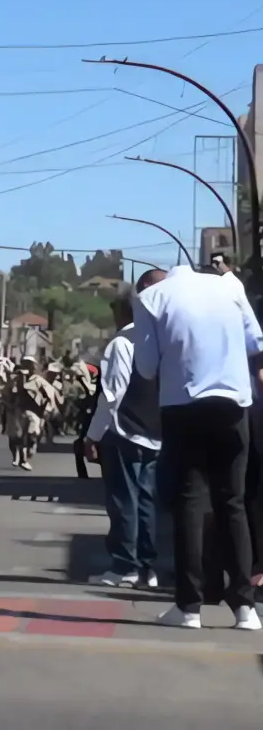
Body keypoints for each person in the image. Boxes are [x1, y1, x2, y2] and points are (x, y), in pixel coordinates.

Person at [131, 264, 261, 630]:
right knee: (231, 502)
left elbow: (146, 366)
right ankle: (245, 609)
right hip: (235, 403)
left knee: (190, 499)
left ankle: (189, 608)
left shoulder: (151, 297)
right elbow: (258, 344)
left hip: (183, 404)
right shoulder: (230, 288)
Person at [85, 290, 161, 589]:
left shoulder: (121, 344)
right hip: (155, 434)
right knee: (147, 502)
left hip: (125, 431)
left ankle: (124, 566)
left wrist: (93, 435)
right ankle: (147, 568)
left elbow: (112, 394)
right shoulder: (157, 342)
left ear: (123, 313)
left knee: (123, 501)